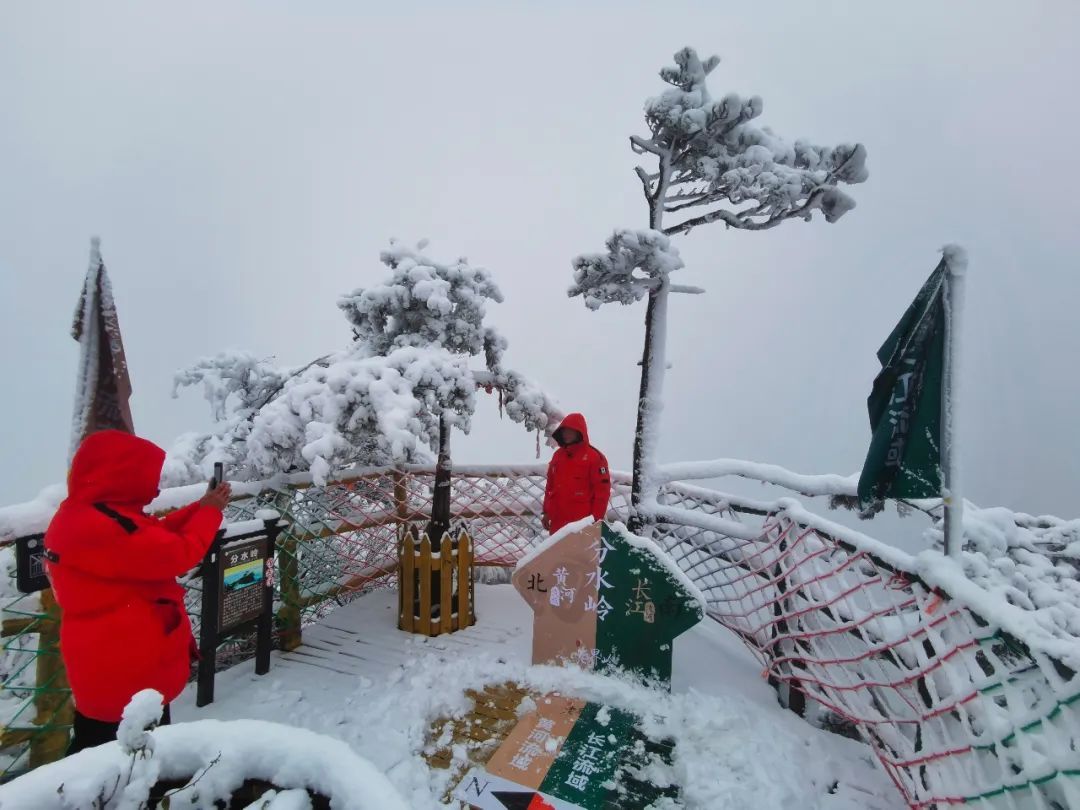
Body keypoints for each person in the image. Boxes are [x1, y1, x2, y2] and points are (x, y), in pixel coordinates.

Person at [44, 430, 231, 754]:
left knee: (100, 756)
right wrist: (211, 512)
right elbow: (176, 552)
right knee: (126, 767)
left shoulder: (87, 515)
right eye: (147, 479)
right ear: (122, 476)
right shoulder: (102, 527)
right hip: (124, 677)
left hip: (110, 665)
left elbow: (152, 535)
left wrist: (200, 506)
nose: (155, 489)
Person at [541, 413, 611, 534]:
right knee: (558, 553)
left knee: (579, 553)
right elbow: (550, 487)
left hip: (582, 525)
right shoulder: (558, 456)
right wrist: (546, 512)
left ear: (579, 432)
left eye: (570, 431)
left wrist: (596, 520)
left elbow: (602, 492)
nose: (566, 434)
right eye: (564, 431)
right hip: (558, 523)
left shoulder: (595, 457)